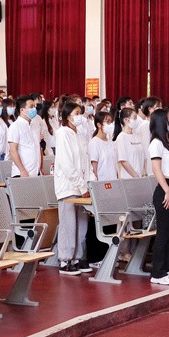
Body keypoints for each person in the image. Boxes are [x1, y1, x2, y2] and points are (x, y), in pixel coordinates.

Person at [53, 101, 92, 276]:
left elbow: (86, 160)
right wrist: (80, 184)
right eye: (76, 113)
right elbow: (66, 163)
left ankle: (77, 257)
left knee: (81, 224)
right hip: (68, 186)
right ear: (68, 116)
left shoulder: (80, 134)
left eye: (80, 113)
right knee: (68, 224)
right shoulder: (62, 133)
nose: (79, 116)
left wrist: (88, 182)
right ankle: (65, 259)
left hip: (82, 186)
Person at [148, 108, 169, 285]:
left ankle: (167, 268)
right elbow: (157, 169)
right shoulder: (156, 143)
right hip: (165, 188)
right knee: (163, 233)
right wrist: (167, 191)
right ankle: (157, 272)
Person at [7, 95, 41, 177]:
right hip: (22, 173)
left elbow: (38, 147)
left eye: (34, 106)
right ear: (22, 110)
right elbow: (13, 151)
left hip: (35, 172)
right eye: (31, 107)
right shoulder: (15, 126)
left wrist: (40, 168)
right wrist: (22, 170)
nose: (34, 109)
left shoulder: (34, 126)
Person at [114, 107, 146, 179]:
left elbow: (142, 156)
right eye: (134, 118)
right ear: (126, 120)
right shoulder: (121, 138)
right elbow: (123, 161)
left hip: (140, 178)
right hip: (129, 178)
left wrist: (143, 173)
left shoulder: (137, 136)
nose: (137, 120)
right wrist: (136, 176)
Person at [88, 110, 117, 181]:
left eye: (111, 122)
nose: (110, 125)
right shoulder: (94, 143)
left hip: (114, 181)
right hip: (102, 182)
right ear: (99, 125)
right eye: (107, 122)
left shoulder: (111, 142)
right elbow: (94, 168)